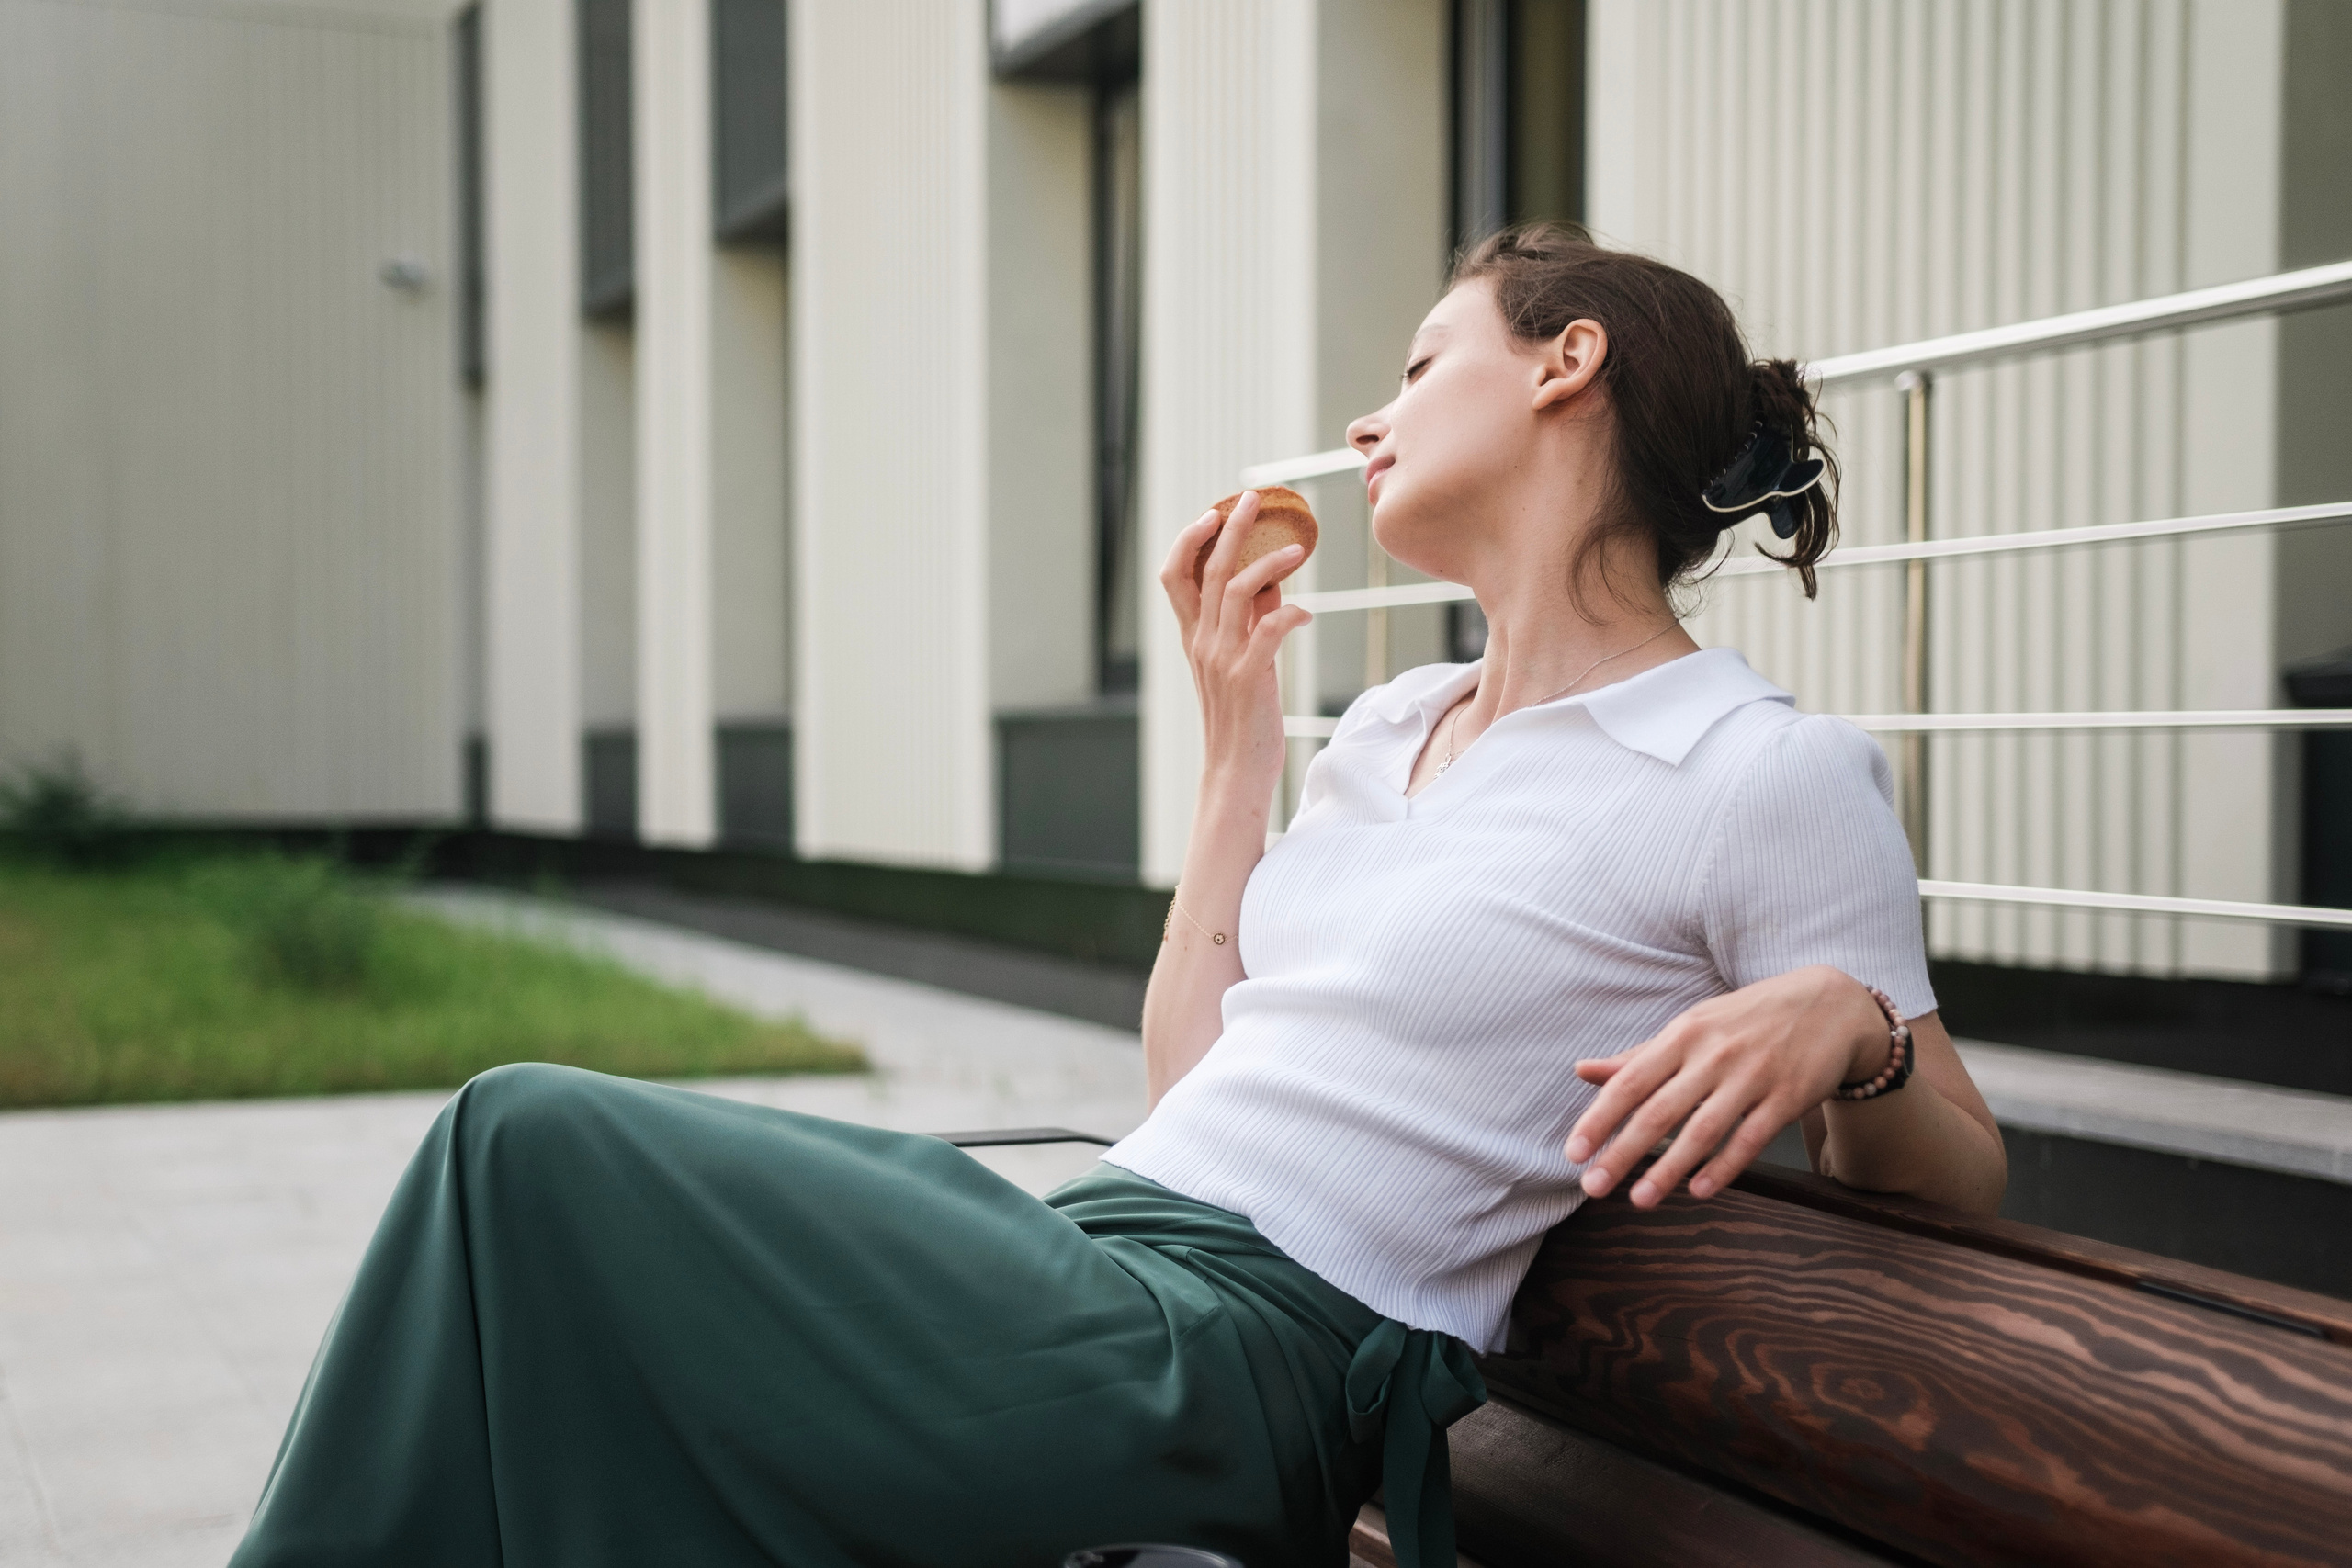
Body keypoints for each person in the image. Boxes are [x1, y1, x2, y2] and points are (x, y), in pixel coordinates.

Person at [228, 224, 2005, 1568]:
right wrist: (1236, 748)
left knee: (521, 1146)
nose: (1366, 419)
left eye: (1416, 363)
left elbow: (1955, 1166)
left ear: (1567, 365)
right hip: (1100, 1265)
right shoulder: (1388, 731)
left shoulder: (1756, 767)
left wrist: (1849, 1022)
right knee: (552, 1300)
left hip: (1244, 1361)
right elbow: (1194, 1088)